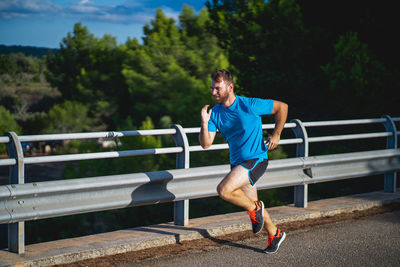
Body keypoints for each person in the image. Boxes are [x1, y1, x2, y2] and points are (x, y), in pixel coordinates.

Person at [199, 69, 288, 254]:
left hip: (256, 159)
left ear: (230, 87)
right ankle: (275, 233)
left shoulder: (249, 104)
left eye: (217, 88)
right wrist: (205, 123)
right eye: (212, 89)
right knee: (253, 207)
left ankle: (255, 209)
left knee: (223, 190)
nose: (213, 93)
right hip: (237, 164)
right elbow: (206, 144)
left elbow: (282, 107)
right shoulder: (214, 113)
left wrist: (277, 133)